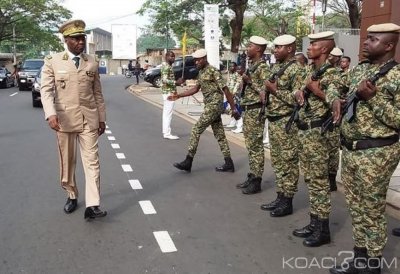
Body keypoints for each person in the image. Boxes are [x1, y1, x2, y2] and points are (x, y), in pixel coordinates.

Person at [330, 23, 400, 274]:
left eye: (373, 39)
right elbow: (337, 88)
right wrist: (336, 100)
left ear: (389, 45)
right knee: (355, 205)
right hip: (350, 149)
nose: (366, 43)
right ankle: (359, 258)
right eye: (366, 38)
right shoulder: (359, 70)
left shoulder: (397, 76)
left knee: (371, 208)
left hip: (378, 152)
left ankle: (373, 264)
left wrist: (374, 99)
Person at [40, 19, 107, 220]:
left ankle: (93, 204)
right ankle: (72, 194)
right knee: (68, 162)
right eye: (76, 39)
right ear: (66, 40)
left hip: (89, 119)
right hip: (64, 120)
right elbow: (46, 90)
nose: (81, 42)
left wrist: (102, 118)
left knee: (92, 162)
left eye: (82, 38)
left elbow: (98, 94)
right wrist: (50, 113)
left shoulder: (91, 62)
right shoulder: (53, 61)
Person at [292, 31, 344, 247]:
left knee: (320, 182)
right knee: (312, 181)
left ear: (324, 49)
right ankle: (314, 223)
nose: (309, 47)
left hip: (317, 134)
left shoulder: (331, 73)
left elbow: (335, 97)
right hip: (304, 131)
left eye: (313, 44)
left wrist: (317, 91)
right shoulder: (309, 70)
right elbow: (298, 91)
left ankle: (323, 229)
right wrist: (299, 92)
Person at [169, 49, 240, 173]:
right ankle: (229, 163)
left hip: (214, 105)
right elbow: (196, 89)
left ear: (204, 58)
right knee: (220, 135)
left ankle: (188, 160)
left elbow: (226, 89)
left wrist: (233, 108)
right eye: (195, 60)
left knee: (196, 129)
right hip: (210, 106)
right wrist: (179, 96)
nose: (196, 62)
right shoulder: (201, 72)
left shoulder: (213, 71)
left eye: (198, 60)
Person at [261, 34, 304, 217]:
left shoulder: (297, 70)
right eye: (275, 47)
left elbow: (298, 101)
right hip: (274, 120)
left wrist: (274, 91)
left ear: (290, 49)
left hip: (287, 122)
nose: (275, 50)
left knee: (288, 162)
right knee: (278, 162)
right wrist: (265, 92)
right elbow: (269, 86)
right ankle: (280, 195)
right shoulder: (277, 67)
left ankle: (288, 200)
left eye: (279, 47)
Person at [235, 36, 270, 194]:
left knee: (255, 146)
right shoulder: (252, 65)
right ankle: (253, 174)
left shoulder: (263, 68)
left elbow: (265, 92)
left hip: (256, 109)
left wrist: (250, 82)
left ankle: (257, 180)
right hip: (248, 109)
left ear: (258, 50)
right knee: (250, 145)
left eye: (250, 46)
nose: (247, 48)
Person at [326, 46, 344, 192]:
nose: (329, 57)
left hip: (334, 116)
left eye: (333, 56)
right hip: (323, 116)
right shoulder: (322, 70)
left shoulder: (340, 74)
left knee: (333, 148)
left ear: (338, 58)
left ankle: (331, 178)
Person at [161, 51, 184, 140]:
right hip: (168, 92)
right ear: (166, 57)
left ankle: (166, 132)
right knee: (168, 113)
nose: (173, 58)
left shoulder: (168, 66)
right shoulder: (166, 66)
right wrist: (176, 82)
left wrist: (177, 83)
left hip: (169, 91)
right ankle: (167, 133)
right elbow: (164, 80)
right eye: (171, 56)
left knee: (166, 113)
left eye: (174, 57)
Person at [224, 62, 242, 131]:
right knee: (232, 108)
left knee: (236, 109)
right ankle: (233, 122)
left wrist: (233, 93)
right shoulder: (230, 74)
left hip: (235, 95)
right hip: (230, 94)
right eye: (230, 66)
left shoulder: (237, 74)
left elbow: (238, 84)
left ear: (235, 67)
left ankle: (239, 125)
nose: (231, 68)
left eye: (232, 66)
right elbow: (228, 84)